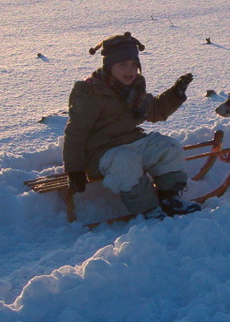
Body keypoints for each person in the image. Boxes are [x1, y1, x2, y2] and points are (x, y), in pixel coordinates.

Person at [62, 32, 200, 220]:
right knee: (125, 162)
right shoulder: (91, 93)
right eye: (122, 65)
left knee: (167, 147)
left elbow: (156, 110)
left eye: (134, 65)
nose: (130, 70)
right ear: (109, 66)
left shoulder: (133, 89)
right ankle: (148, 209)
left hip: (131, 142)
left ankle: (169, 199)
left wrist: (176, 94)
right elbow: (75, 133)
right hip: (100, 153)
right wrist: (74, 170)